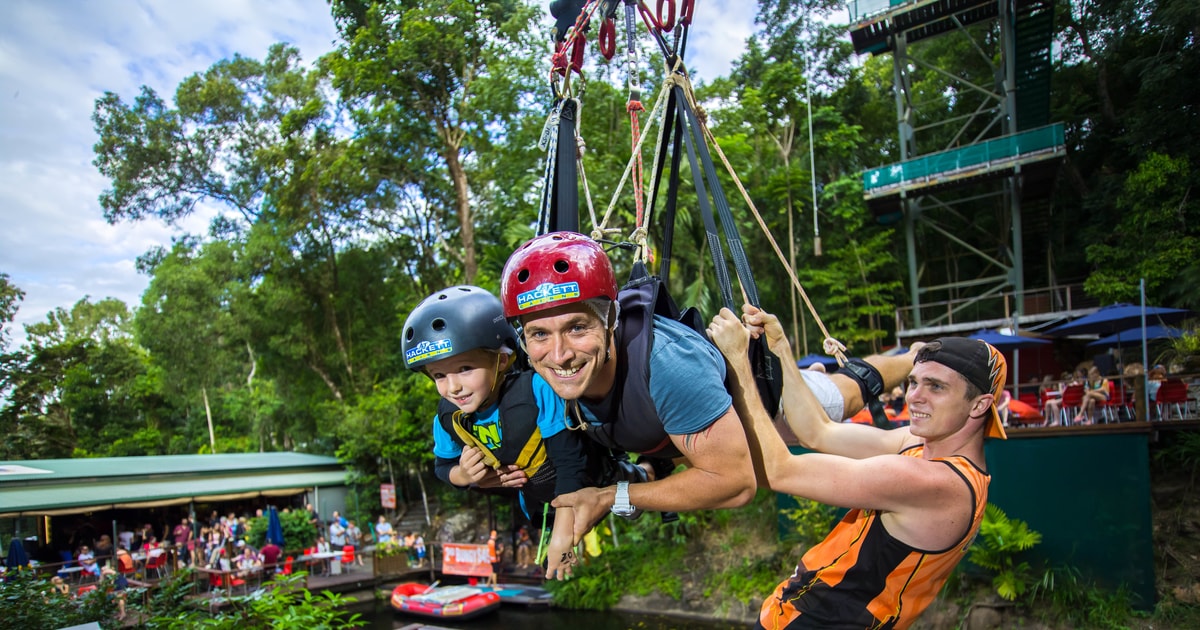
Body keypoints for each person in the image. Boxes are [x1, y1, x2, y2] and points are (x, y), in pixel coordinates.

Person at [502, 232, 921, 547]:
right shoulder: (541, 376)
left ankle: (912, 357)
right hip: (678, 435)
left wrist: (615, 496)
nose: (558, 355)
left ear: (609, 319)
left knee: (842, 396)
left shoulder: (666, 367)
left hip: (762, 408)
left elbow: (737, 484)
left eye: (577, 327)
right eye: (539, 334)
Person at [707, 305, 1004, 629]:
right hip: (796, 615)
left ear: (979, 405)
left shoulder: (933, 482)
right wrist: (781, 349)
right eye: (913, 382)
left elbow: (782, 470)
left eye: (936, 387)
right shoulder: (922, 446)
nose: (914, 397)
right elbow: (818, 431)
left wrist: (738, 361)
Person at [402, 284, 645, 579]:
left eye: (465, 368)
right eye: (439, 375)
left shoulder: (535, 391)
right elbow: (442, 466)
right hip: (536, 503)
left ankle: (645, 470)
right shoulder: (449, 419)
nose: (453, 387)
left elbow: (571, 462)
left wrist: (561, 538)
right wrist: (463, 476)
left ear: (501, 360)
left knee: (628, 495)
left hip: (586, 481)